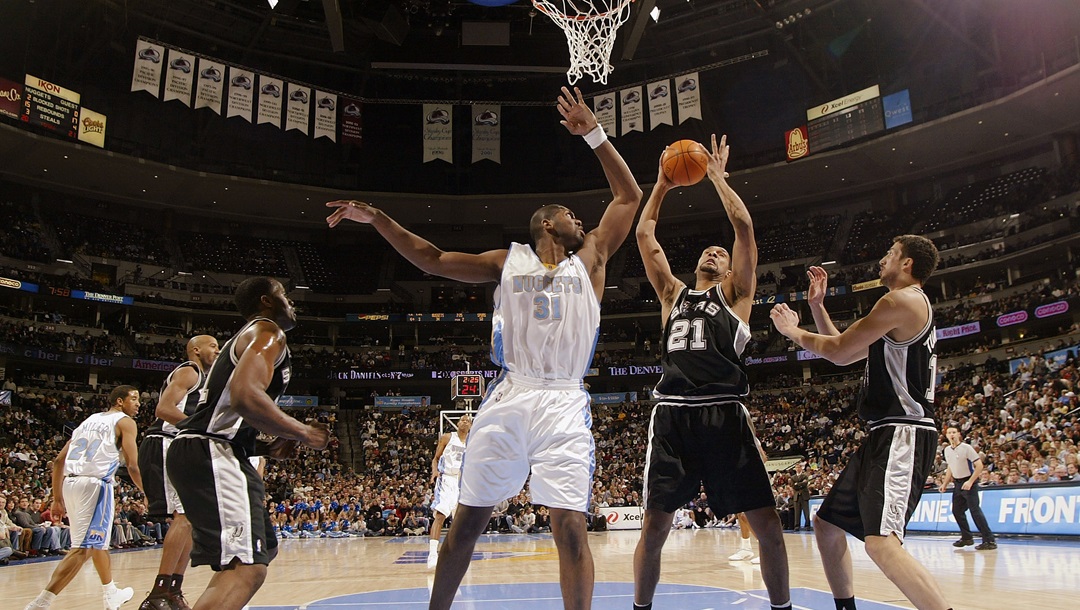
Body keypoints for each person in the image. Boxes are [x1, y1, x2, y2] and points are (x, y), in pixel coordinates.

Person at [326, 85, 642, 610]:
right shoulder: (508, 259)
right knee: (468, 521)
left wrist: (595, 135)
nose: (581, 222)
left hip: (564, 400)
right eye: (570, 215)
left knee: (570, 527)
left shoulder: (591, 260)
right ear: (548, 224)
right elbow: (432, 258)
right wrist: (378, 218)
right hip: (512, 393)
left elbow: (628, 197)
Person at [632, 135, 790, 610]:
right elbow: (645, 236)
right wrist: (660, 184)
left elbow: (742, 227)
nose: (715, 252)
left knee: (767, 525)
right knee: (654, 527)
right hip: (674, 416)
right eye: (709, 250)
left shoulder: (737, 295)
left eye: (721, 254)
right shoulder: (672, 295)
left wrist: (718, 177)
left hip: (724, 413)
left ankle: (780, 606)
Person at [770, 237, 950, 610]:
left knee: (881, 542)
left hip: (904, 430)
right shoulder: (902, 310)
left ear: (907, 264)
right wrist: (818, 307)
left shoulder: (900, 301)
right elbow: (844, 351)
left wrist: (792, 332)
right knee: (827, 525)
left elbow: (835, 351)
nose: (882, 258)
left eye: (890, 253)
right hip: (885, 432)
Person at [167, 277, 330, 610]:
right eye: (284, 295)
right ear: (266, 301)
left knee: (262, 549)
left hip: (206, 449)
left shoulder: (244, 340)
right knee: (249, 566)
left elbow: (227, 411)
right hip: (210, 450)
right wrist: (302, 432)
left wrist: (267, 447)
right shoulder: (269, 333)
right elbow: (244, 397)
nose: (292, 301)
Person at [23, 385, 144, 610]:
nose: (138, 404)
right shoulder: (125, 422)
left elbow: (59, 461)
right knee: (82, 549)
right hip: (95, 485)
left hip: (70, 483)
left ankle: (111, 593)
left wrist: (57, 498)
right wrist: (148, 493)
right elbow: (133, 465)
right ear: (119, 401)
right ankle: (40, 603)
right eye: (134, 399)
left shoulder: (87, 421)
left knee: (96, 544)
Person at [138, 335, 220, 610]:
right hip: (165, 441)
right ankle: (157, 593)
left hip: (181, 444)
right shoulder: (189, 370)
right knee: (184, 516)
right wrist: (201, 429)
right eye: (213, 346)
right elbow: (164, 409)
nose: (217, 350)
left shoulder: (206, 380)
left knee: (192, 519)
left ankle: (173, 588)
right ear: (196, 350)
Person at [427, 414, 472, 569]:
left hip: (462, 482)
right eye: (462, 420)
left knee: (459, 521)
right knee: (440, 515)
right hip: (446, 478)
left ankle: (457, 555)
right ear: (458, 423)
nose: (465, 422)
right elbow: (436, 458)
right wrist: (434, 472)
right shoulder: (447, 437)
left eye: (468, 421)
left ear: (470, 426)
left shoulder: (472, 442)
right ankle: (433, 554)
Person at [940, 427, 996, 550]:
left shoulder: (966, 448)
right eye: (949, 433)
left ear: (959, 434)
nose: (952, 435)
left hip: (969, 482)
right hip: (957, 484)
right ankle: (967, 537)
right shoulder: (947, 450)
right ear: (946, 435)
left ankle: (989, 540)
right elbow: (950, 467)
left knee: (975, 511)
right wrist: (945, 483)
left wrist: (970, 481)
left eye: (954, 432)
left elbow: (979, 466)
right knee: (957, 511)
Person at [790, 462, 811, 531]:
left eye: (799, 467)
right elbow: (793, 486)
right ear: (795, 469)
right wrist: (800, 484)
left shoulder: (805, 475)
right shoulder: (793, 477)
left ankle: (807, 525)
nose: (798, 469)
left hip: (804, 495)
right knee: (797, 512)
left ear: (801, 468)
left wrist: (797, 484)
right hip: (797, 496)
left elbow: (805, 483)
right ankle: (797, 526)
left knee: (806, 511)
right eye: (796, 467)